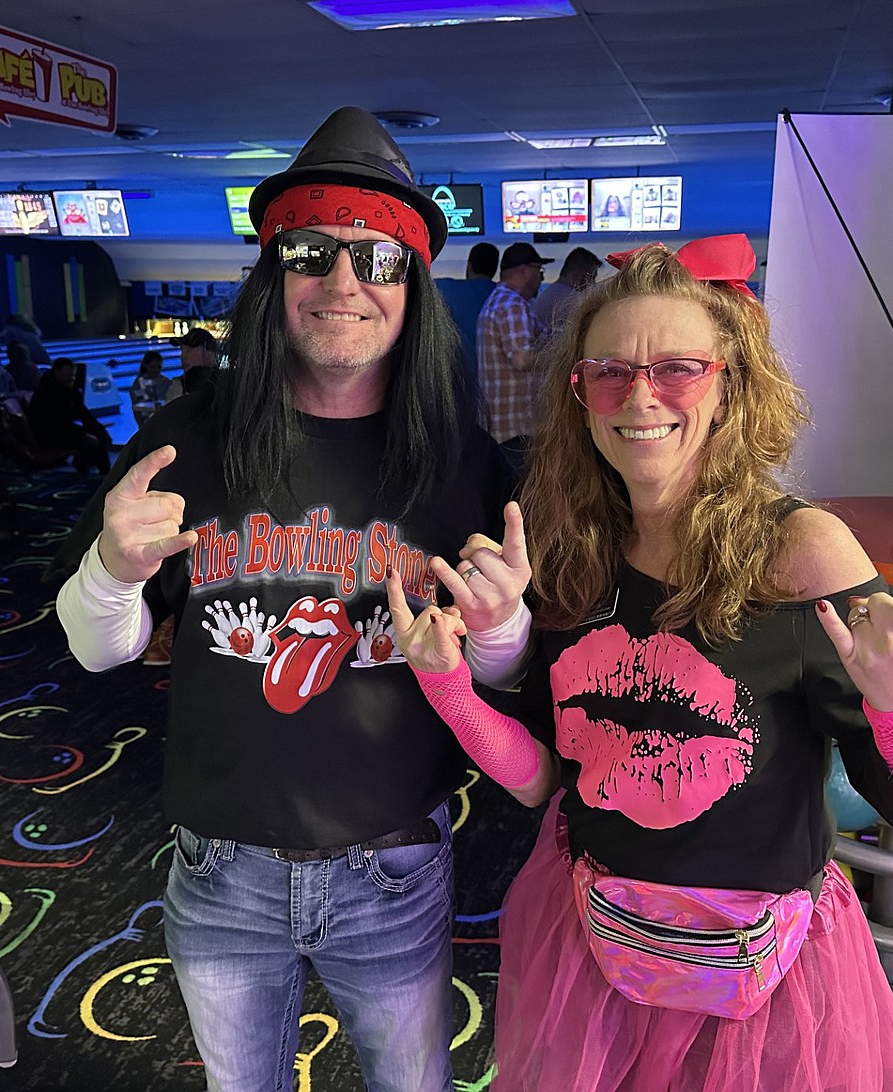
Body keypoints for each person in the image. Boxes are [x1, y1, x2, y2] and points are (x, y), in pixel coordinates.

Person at [387, 236, 893, 1091]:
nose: (640, 397)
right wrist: (451, 686)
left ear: (729, 384)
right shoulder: (565, 553)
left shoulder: (801, 553)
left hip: (761, 983)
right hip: (593, 948)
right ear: (580, 396)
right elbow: (542, 779)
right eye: (609, 373)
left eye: (677, 369)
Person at [47, 105, 532, 1092]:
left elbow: (502, 674)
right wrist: (112, 570)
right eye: (311, 251)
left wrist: (502, 628)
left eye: (378, 258)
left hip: (391, 867)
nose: (343, 283)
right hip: (218, 868)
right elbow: (98, 650)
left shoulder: (459, 462)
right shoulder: (186, 436)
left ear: (414, 285)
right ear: (273, 276)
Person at [476, 241, 554, 471]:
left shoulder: (499, 301)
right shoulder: (512, 305)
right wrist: (562, 356)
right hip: (518, 430)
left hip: (502, 428)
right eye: (539, 271)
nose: (541, 278)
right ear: (524, 270)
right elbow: (521, 359)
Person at [28, 357, 112, 474]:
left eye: (73, 375)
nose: (72, 379)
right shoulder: (46, 393)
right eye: (68, 375)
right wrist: (83, 433)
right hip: (48, 434)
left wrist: (99, 429)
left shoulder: (69, 389)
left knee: (100, 435)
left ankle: (102, 472)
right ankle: (91, 472)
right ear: (56, 373)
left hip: (63, 431)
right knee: (90, 441)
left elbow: (84, 414)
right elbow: (54, 425)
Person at [434, 241, 499, 383]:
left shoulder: (448, 289)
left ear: (469, 266)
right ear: (495, 268)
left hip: (460, 379)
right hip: (492, 382)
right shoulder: (503, 295)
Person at [532, 246, 602, 335]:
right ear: (576, 275)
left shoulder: (549, 293)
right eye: (591, 277)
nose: (592, 284)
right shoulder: (574, 300)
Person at [164, 326, 218, 402]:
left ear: (208, 354)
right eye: (182, 350)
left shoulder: (224, 386)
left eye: (189, 350)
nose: (183, 356)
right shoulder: (177, 386)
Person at [130, 349, 171, 425]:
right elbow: (138, 406)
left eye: (159, 366)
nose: (157, 370)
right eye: (153, 367)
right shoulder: (139, 383)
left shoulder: (166, 381)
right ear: (145, 365)